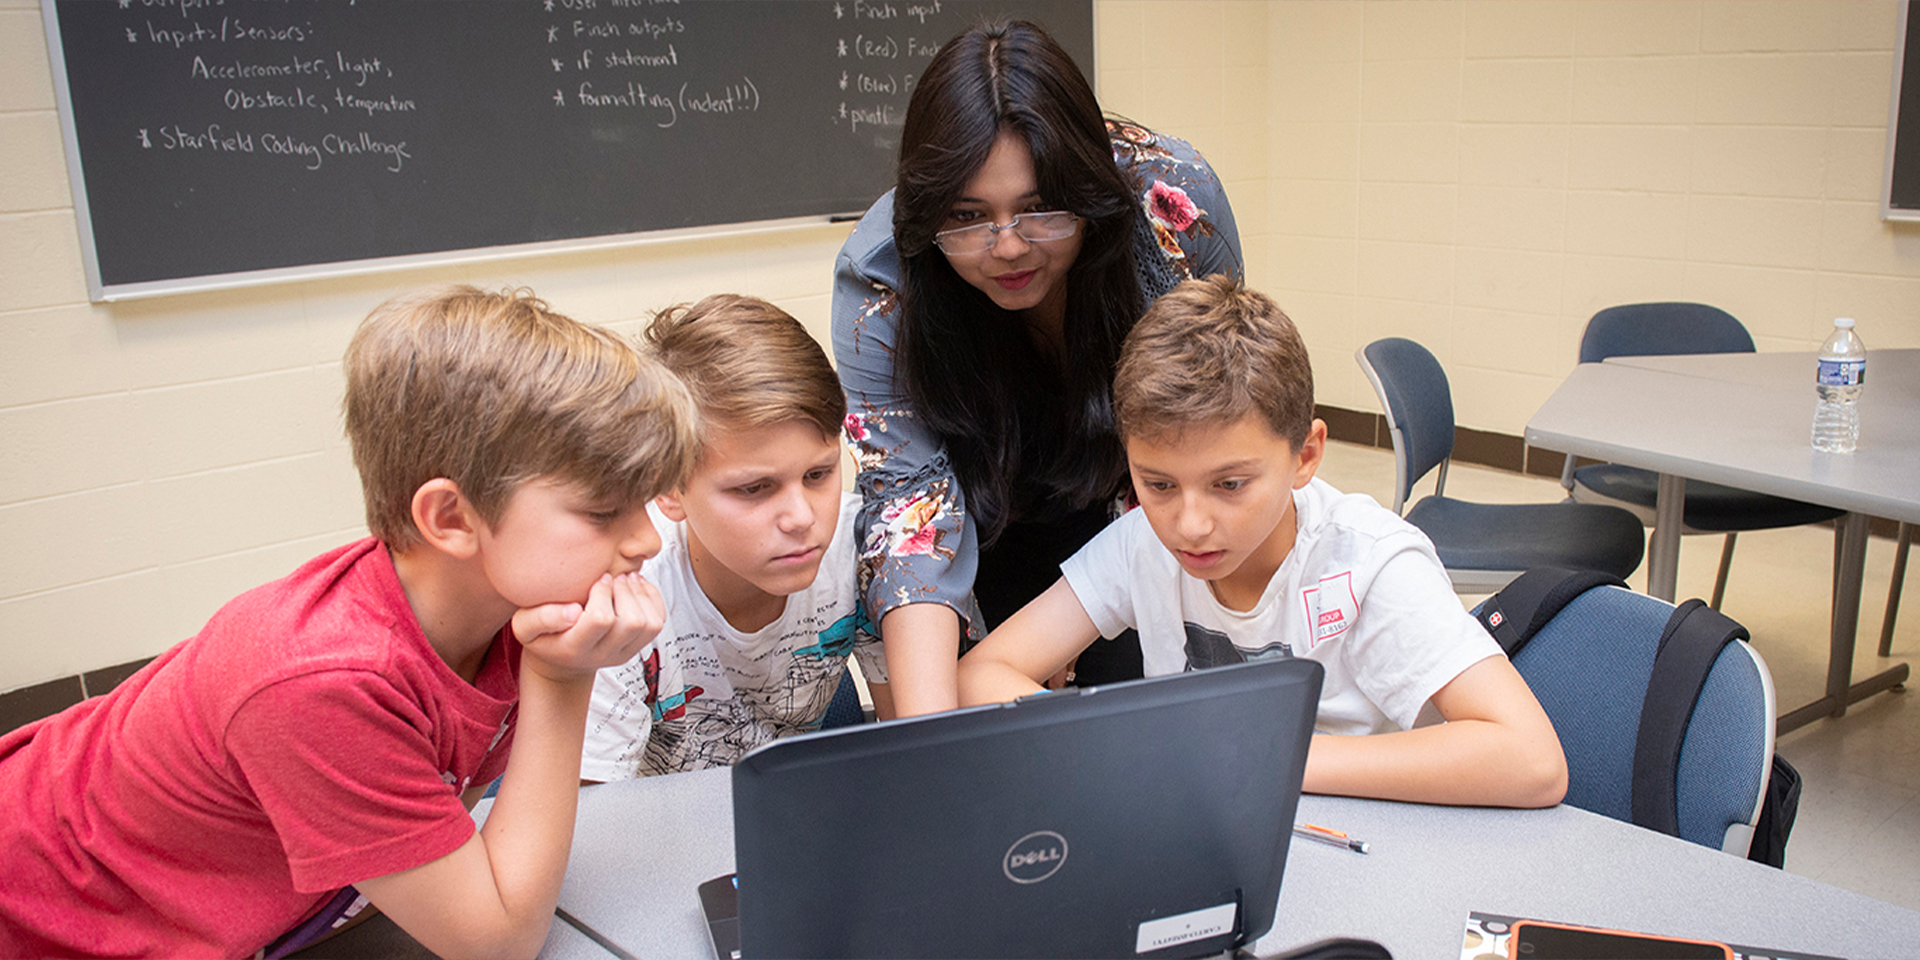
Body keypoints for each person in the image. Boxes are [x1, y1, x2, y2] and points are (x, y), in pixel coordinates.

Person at [0, 286, 700, 957]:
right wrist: (564, 679)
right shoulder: (324, 680)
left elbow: (457, 840)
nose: (642, 540)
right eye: (605, 512)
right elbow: (497, 941)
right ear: (451, 518)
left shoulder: (504, 607)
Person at [956, 275, 1568, 809]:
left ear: (1305, 455)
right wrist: (1126, 742)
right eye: (1158, 483)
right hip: (1216, 825)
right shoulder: (1142, 540)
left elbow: (1532, 761)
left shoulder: (1369, 564)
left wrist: (1256, 756)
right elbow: (984, 672)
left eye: (1230, 484)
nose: (1189, 523)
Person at [834, 18, 1243, 717]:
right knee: (981, 732)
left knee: (1141, 723)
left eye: (1040, 209)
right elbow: (912, 511)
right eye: (967, 217)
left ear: (1087, 190)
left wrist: (1101, 594)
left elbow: (1206, 418)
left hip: (1134, 502)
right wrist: (931, 735)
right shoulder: (882, 279)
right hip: (979, 513)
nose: (1009, 248)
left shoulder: (1172, 201)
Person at [581, 295, 889, 780]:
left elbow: (910, 750)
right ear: (668, 488)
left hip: (790, 798)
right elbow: (595, 830)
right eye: (754, 488)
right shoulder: (620, 597)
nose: (800, 517)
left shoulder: (866, 548)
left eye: (818, 474)